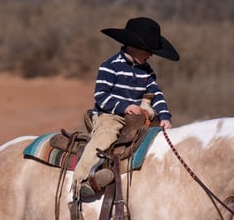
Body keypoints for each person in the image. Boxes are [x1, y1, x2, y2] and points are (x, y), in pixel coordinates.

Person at [73, 16, 180, 198]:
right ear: (133, 46)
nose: (150, 55)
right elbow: (101, 96)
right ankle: (83, 179)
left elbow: (156, 94)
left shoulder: (147, 71)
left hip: (137, 116)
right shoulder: (110, 66)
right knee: (106, 136)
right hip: (110, 114)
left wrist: (164, 117)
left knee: (160, 138)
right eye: (148, 50)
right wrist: (124, 106)